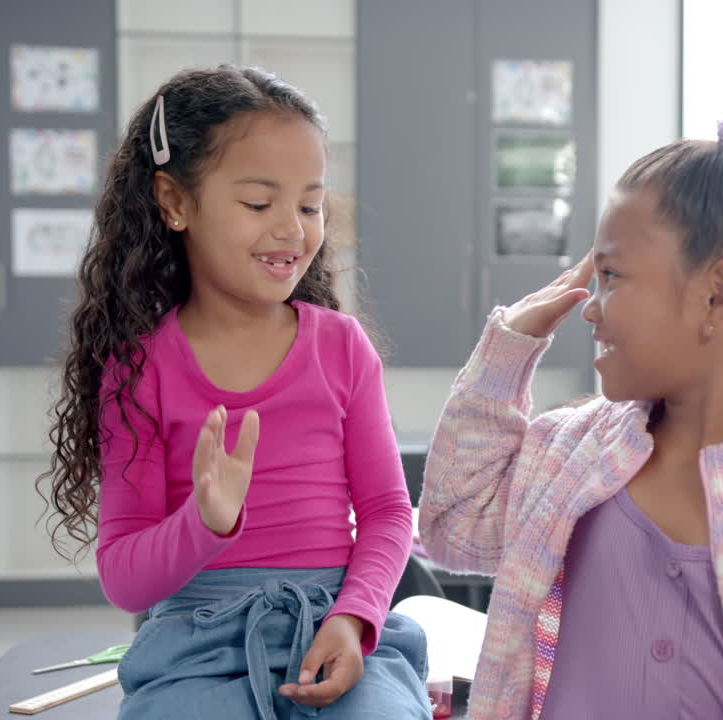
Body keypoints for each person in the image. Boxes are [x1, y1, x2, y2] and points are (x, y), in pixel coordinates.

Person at [420, 111, 723, 719]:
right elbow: (453, 525)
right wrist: (505, 352)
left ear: (715, 296)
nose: (589, 309)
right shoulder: (573, 450)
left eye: (611, 276)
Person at [40, 65, 431, 720]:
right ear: (174, 202)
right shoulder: (139, 369)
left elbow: (390, 511)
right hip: (197, 643)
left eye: (310, 205)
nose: (293, 229)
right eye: (258, 204)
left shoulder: (342, 348)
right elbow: (123, 575)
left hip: (334, 621)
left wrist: (355, 618)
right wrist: (205, 522)